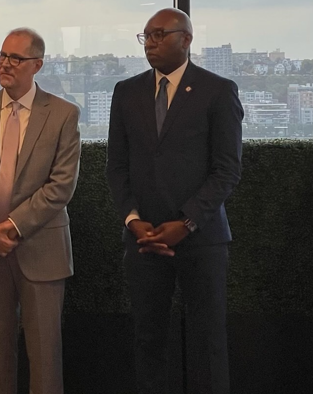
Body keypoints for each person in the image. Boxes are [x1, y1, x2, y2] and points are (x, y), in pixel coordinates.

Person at [105, 8, 243, 394]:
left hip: (202, 240)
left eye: (159, 34)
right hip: (144, 239)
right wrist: (133, 220)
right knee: (148, 339)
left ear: (186, 39)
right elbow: (116, 167)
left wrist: (186, 223)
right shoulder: (127, 91)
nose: (150, 42)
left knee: (207, 342)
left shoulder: (217, 90)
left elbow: (227, 170)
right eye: (145, 35)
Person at [0, 28, 81, 394]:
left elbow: (61, 186)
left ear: (37, 65)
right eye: (2, 56)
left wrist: (10, 227)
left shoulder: (63, 114)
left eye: (16, 58)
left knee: (44, 356)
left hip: (40, 249)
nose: (5, 64)